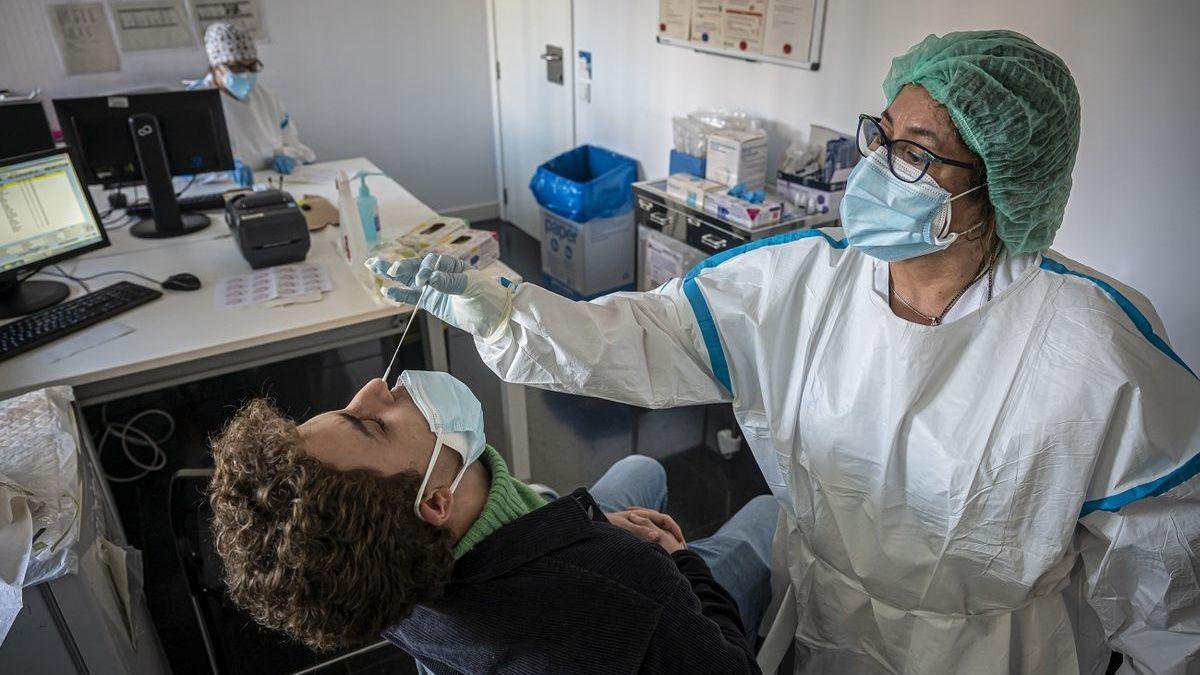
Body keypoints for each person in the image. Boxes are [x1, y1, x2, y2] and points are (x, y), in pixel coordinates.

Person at [369, 30, 1200, 674]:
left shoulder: (1093, 350)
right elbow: (646, 333)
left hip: (990, 654)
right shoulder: (804, 284)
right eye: (882, 136)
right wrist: (507, 310)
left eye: (915, 154)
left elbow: (1169, 588)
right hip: (823, 622)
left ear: (1001, 185)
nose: (877, 167)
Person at [208, 371, 777, 674]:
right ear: (434, 502)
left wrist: (589, 526)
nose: (376, 389)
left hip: (550, 566)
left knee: (639, 466)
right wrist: (681, 565)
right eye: (372, 424)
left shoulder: (374, 575)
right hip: (631, 599)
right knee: (766, 514)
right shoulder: (633, 590)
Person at [191, 22, 315, 187]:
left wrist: (288, 154)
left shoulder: (267, 98)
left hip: (274, 182)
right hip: (222, 190)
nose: (246, 74)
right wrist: (223, 171)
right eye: (236, 68)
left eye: (252, 66)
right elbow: (184, 168)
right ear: (216, 67)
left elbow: (291, 141)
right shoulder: (195, 104)